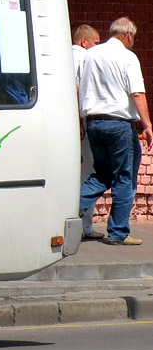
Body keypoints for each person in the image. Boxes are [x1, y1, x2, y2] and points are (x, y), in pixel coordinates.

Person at [78, 18, 153, 246]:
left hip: (93, 123)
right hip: (119, 125)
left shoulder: (90, 55)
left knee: (101, 175)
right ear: (128, 36)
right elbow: (137, 94)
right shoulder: (128, 57)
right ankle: (118, 232)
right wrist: (148, 125)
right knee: (124, 178)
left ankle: (67, 208)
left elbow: (80, 87)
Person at [71, 24, 103, 239]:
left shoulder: (63, 56)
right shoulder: (84, 59)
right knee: (89, 172)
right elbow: (76, 90)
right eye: (96, 43)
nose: (97, 47)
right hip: (82, 124)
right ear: (84, 42)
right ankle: (85, 225)